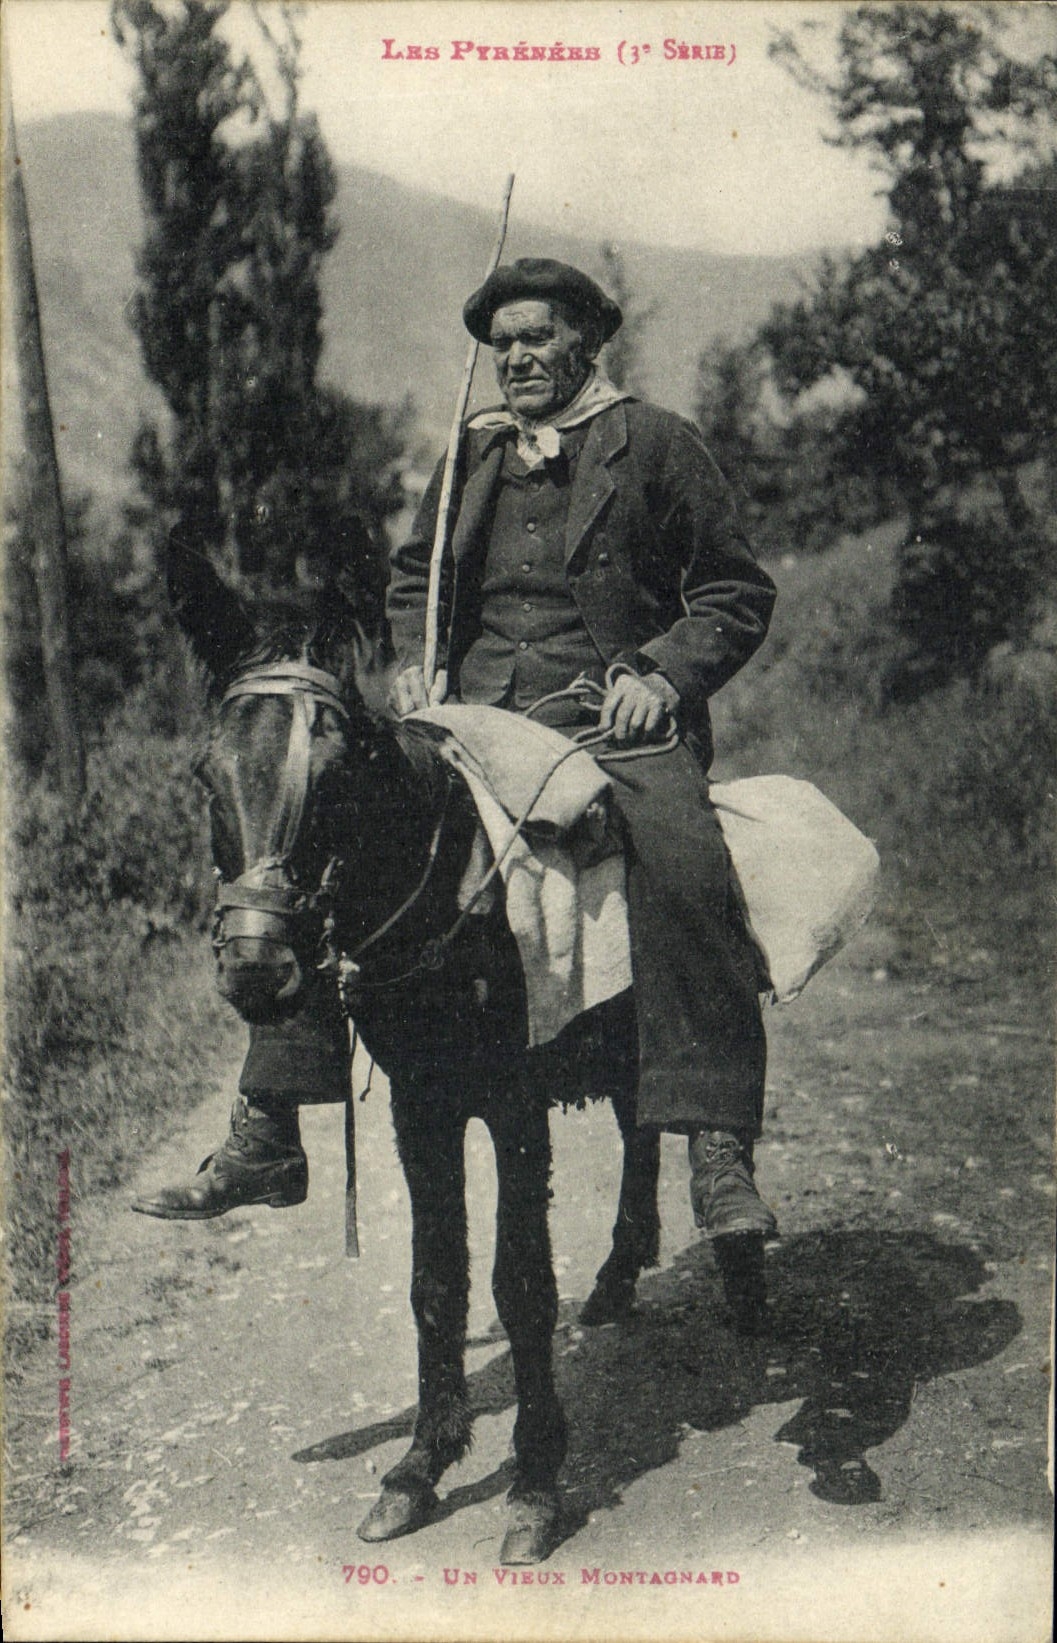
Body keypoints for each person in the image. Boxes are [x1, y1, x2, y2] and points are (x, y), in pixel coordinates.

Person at [134, 257, 778, 1244]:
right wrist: (413, 662)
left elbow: (733, 589)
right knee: (321, 829)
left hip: (609, 719)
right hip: (473, 715)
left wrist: (659, 677)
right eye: (501, 342)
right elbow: (414, 576)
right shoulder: (472, 451)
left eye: (536, 336)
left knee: (687, 859)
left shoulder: (653, 442)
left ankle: (717, 1143)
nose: (516, 357)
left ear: (584, 342)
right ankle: (267, 1125)